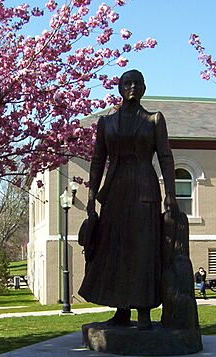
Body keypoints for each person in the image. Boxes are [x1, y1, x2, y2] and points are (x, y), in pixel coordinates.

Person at [78, 69, 177, 330]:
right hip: (115, 190)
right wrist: (91, 197)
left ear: (144, 88)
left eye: (137, 83)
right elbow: (98, 160)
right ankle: (121, 309)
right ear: (119, 88)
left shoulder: (154, 120)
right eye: (127, 82)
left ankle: (144, 310)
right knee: (115, 248)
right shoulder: (106, 123)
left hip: (144, 188)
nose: (132, 86)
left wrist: (170, 194)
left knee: (143, 249)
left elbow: (166, 157)